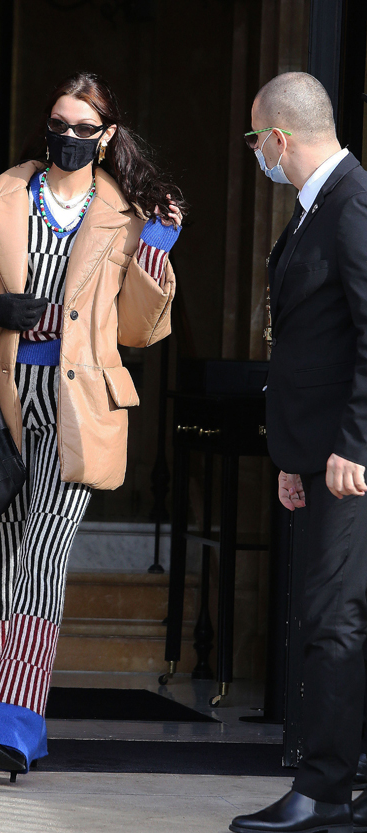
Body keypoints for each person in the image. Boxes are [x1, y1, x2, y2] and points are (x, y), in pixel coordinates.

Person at [0, 71, 184, 780]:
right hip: (1, 393)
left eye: (82, 127)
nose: (66, 138)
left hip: (81, 405)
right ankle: (16, 723)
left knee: (43, 551)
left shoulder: (129, 215)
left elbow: (136, 330)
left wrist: (155, 258)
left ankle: (11, 721)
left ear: (106, 137)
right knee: (10, 554)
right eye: (57, 123)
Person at [230, 71, 367, 833]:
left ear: (279, 138)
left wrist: (352, 444)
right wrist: (293, 453)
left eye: (257, 141)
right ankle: (338, 786)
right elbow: (315, 339)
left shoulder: (352, 206)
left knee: (334, 620)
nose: (258, 155)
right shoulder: (315, 208)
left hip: (350, 463)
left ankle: (324, 793)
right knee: (334, 616)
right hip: (317, 456)